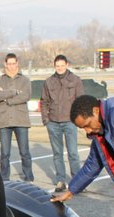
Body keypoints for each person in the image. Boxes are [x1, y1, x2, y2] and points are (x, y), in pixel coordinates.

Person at [41, 55, 84, 192]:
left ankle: (77, 180)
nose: (60, 68)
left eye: (62, 65)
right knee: (57, 153)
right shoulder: (48, 82)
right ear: (55, 66)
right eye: (57, 66)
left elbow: (80, 101)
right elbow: (44, 102)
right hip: (53, 122)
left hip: (70, 121)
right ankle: (60, 180)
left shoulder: (75, 80)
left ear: (67, 65)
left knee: (73, 152)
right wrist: (46, 120)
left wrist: (78, 120)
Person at [0, 53, 33, 182]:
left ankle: (28, 176)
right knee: (5, 153)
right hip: (4, 121)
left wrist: (8, 100)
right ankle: (4, 178)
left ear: (17, 63)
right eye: (8, 64)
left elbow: (25, 96)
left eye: (13, 63)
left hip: (20, 120)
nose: (11, 66)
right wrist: (14, 92)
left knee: (24, 152)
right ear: (5, 64)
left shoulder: (25, 80)